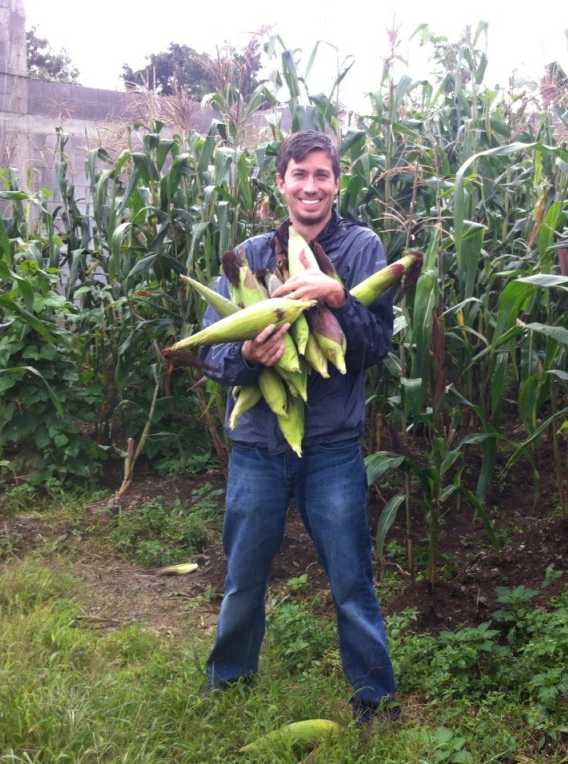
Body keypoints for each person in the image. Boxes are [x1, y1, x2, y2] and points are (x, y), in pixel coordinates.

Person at [198, 129, 399, 722]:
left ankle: (375, 703)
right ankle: (228, 684)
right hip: (259, 446)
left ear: (337, 182)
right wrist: (248, 359)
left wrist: (337, 296)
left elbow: (375, 346)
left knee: (352, 581)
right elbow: (213, 355)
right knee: (242, 577)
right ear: (281, 183)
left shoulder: (361, 249)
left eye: (322, 175)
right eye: (299, 175)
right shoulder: (251, 255)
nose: (310, 186)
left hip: (332, 446)